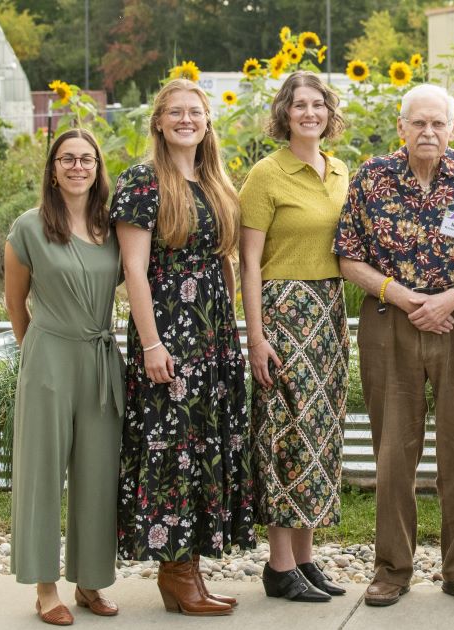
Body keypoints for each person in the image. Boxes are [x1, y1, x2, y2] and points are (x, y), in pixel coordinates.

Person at [334, 83, 454, 608]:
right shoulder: (372, 176)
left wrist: (451, 298)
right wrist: (409, 299)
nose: (428, 132)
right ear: (401, 127)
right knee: (394, 452)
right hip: (391, 320)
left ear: (453, 128)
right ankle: (391, 567)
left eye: (438, 123)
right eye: (418, 123)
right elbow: (348, 255)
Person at [111, 78, 255, 616]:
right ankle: (175, 572)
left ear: (207, 120)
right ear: (158, 121)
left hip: (213, 334)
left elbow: (223, 258)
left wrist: (232, 333)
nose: (186, 119)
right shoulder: (142, 182)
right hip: (170, 331)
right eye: (175, 111)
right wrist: (151, 343)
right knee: (173, 450)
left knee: (205, 446)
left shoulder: (215, 180)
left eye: (195, 111)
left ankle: (189, 569)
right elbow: (133, 269)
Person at [238, 71, 350, 603]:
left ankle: (305, 560)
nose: (310, 113)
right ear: (285, 114)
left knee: (318, 436)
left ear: (329, 113)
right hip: (284, 312)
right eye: (299, 105)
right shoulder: (266, 174)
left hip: (328, 311)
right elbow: (249, 263)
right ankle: (278, 566)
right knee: (285, 432)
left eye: (318, 104)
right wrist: (256, 336)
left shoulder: (339, 171)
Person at [5, 128, 122, 626]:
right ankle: (45, 587)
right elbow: (16, 304)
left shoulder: (112, 227)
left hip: (100, 359)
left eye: (87, 159)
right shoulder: (29, 227)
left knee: (99, 473)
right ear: (52, 169)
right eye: (67, 159)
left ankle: (90, 581)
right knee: (42, 473)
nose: (78, 167)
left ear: (98, 168)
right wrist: (40, 352)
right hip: (50, 355)